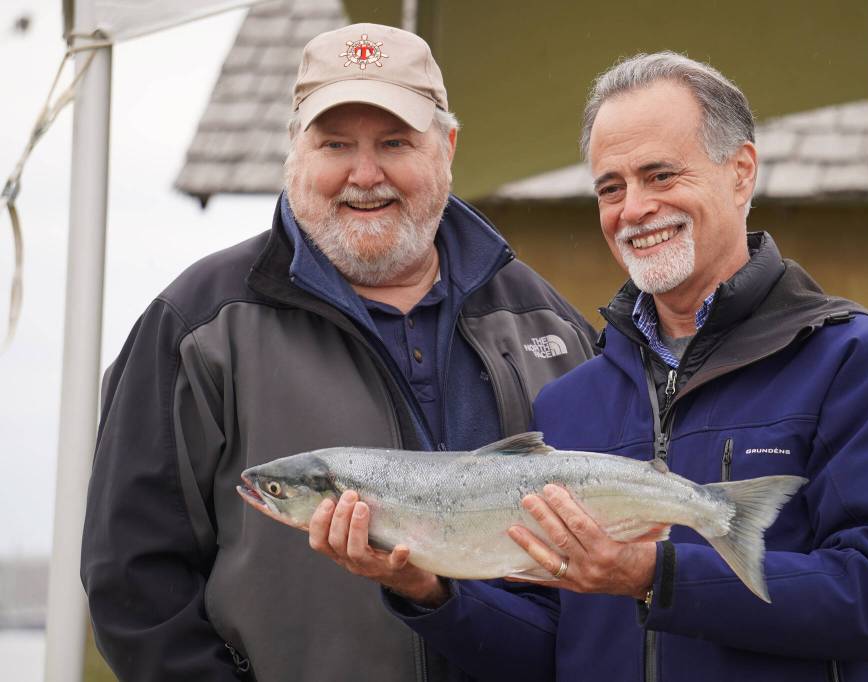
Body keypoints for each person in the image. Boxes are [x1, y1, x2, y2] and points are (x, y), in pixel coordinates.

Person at [310, 52, 868, 681]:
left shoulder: (855, 362)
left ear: (741, 172)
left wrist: (654, 574)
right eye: (610, 188)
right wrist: (428, 590)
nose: (634, 209)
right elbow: (555, 652)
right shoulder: (571, 398)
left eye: (661, 175)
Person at [80, 23, 596, 682]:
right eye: (335, 144)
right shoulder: (195, 327)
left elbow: (596, 580)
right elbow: (134, 586)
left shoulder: (548, 322)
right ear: (294, 152)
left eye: (394, 143)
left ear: (448, 147)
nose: (365, 174)